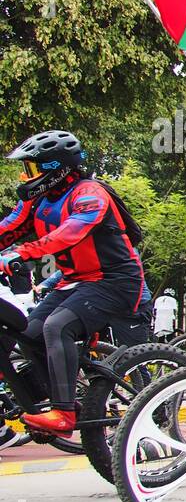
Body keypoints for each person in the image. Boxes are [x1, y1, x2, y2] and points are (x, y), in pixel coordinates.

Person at [0, 130, 144, 433]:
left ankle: (64, 414)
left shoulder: (89, 193)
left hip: (115, 281)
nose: (26, 176)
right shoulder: (38, 199)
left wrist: (22, 253)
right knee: (29, 334)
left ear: (56, 168)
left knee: (57, 326)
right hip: (75, 281)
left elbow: (70, 232)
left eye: (32, 168)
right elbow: (8, 229)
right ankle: (57, 398)